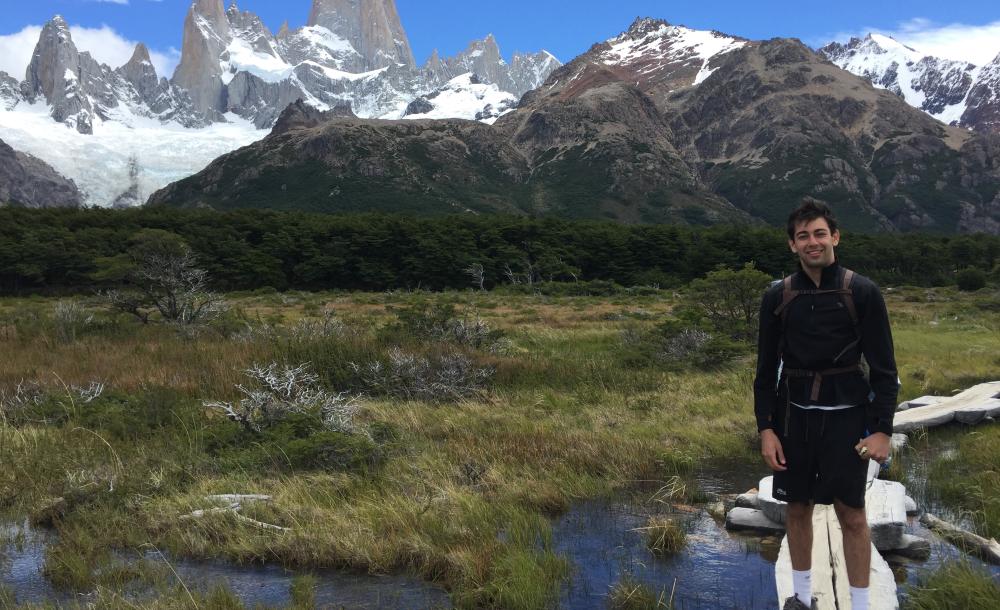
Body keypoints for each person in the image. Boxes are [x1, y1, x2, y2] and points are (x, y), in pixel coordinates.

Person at [753, 201, 898, 610]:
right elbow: (765, 372)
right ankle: (799, 598)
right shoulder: (778, 297)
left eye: (819, 233)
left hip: (849, 420)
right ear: (792, 245)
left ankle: (863, 604)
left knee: (852, 514)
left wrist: (882, 429)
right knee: (797, 509)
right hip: (793, 419)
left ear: (835, 236)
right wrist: (766, 429)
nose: (812, 242)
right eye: (803, 236)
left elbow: (885, 369)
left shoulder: (862, 292)